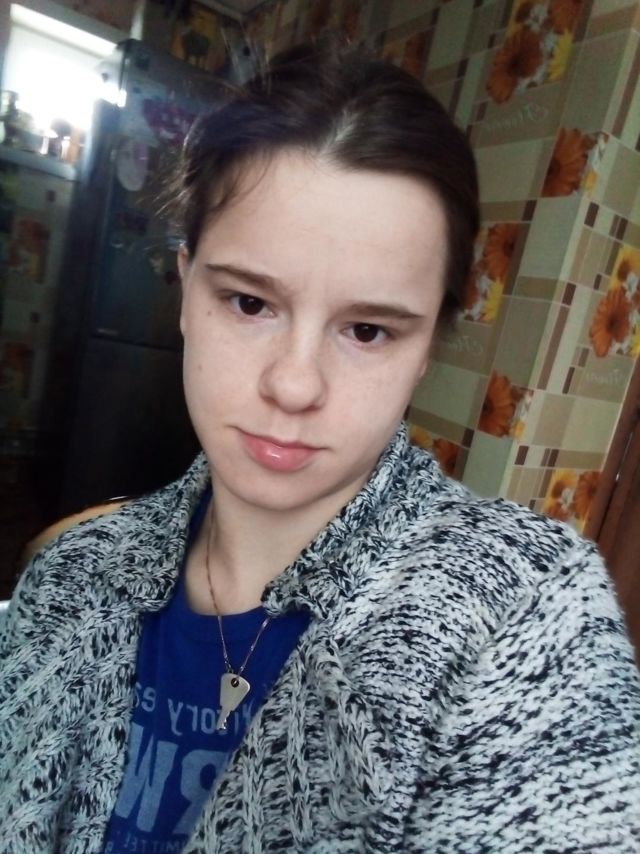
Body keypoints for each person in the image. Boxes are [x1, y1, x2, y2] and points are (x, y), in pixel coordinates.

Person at [1, 37, 639, 854]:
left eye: (367, 330)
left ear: (429, 344)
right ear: (188, 288)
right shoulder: (71, 575)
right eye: (250, 303)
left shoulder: (526, 614)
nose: (294, 385)